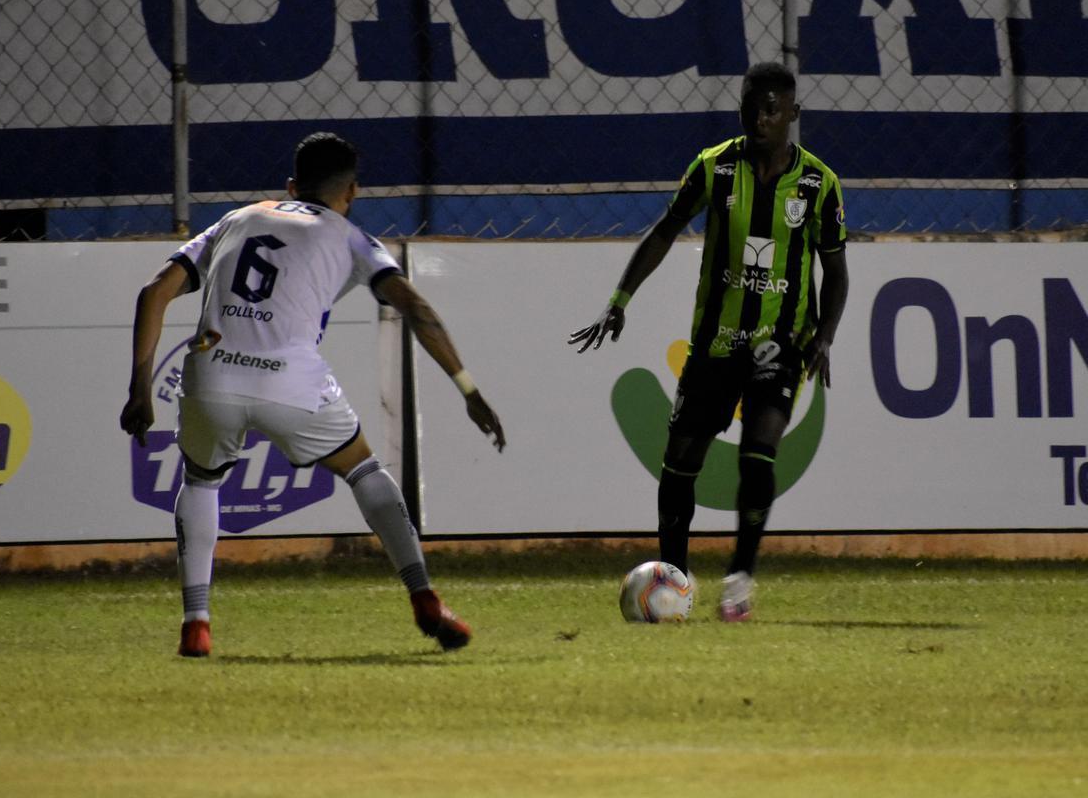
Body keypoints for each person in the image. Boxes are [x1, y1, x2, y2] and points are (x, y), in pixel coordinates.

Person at [121, 132, 505, 656]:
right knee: (365, 470)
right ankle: (425, 599)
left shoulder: (237, 219)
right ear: (351, 192)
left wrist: (140, 390)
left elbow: (153, 292)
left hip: (213, 375)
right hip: (292, 383)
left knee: (202, 479)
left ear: (290, 185)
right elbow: (416, 309)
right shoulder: (353, 238)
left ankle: (197, 623)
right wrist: (468, 388)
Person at [568, 62, 849, 622]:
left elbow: (836, 271)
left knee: (758, 450)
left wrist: (824, 336)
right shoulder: (714, 167)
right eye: (751, 107)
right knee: (680, 462)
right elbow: (665, 229)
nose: (761, 118)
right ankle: (675, 579)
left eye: (773, 108)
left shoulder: (819, 184)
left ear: (792, 114)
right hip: (715, 345)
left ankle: (740, 579)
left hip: (779, 344)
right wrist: (619, 299)